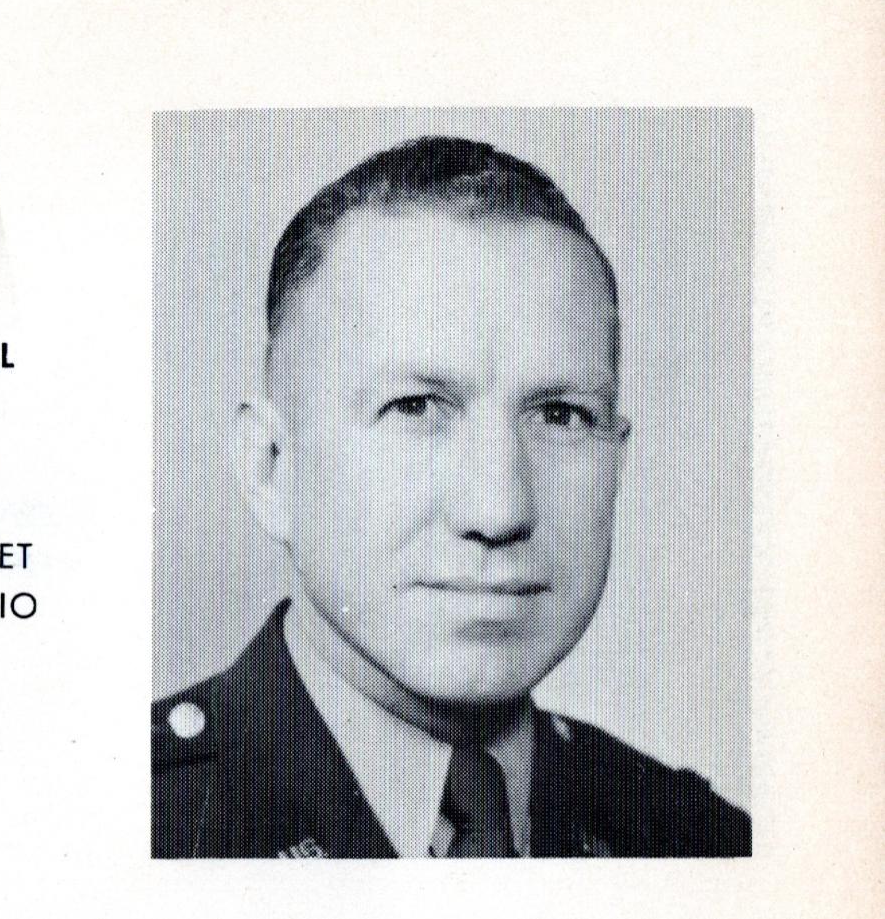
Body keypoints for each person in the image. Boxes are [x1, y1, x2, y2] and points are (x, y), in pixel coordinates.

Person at [152, 136, 751, 858]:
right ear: (272, 468)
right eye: (415, 407)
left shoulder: (701, 841)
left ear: (617, 460)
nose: (498, 509)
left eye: (561, 415)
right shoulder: (131, 822)